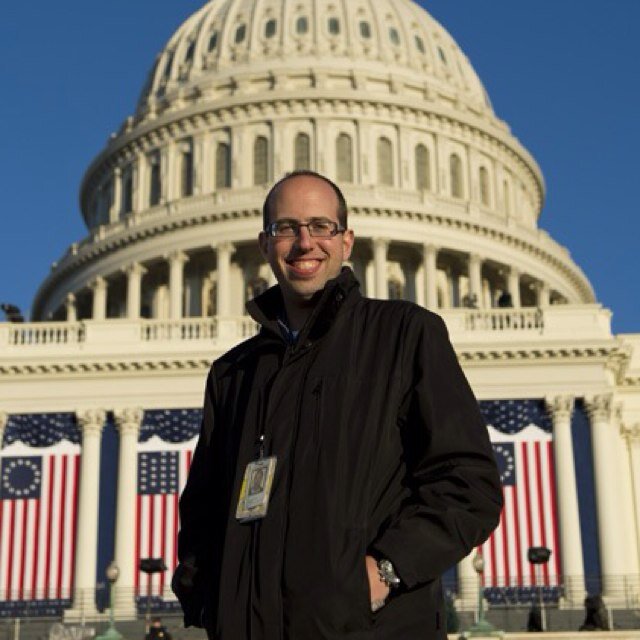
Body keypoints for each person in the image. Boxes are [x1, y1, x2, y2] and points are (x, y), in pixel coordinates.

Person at [172, 170, 503, 639]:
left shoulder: (403, 336)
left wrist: (383, 572)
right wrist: (211, 603)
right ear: (265, 245)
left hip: (368, 629)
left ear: (346, 241)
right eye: (286, 228)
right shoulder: (235, 374)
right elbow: (204, 510)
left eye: (320, 226)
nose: (305, 242)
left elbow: (468, 484)